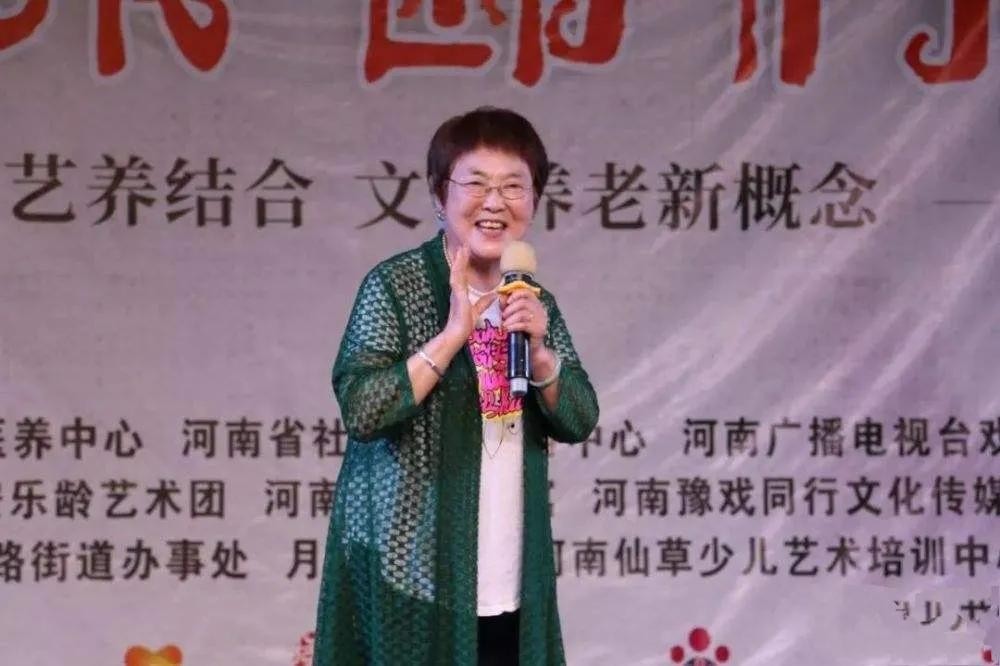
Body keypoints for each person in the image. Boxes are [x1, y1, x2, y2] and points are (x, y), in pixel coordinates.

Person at [312, 107, 599, 666]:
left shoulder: (530, 300)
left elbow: (580, 416)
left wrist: (541, 354)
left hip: (509, 572)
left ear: (534, 201)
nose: (495, 203)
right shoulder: (397, 285)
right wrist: (450, 338)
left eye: (513, 186)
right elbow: (363, 409)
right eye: (476, 184)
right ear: (439, 195)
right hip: (411, 576)